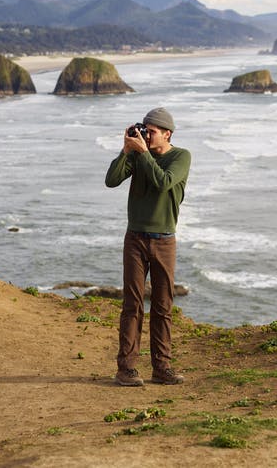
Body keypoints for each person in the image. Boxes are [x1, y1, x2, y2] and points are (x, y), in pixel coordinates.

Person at [105, 107, 191, 386]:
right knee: (132, 305)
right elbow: (111, 180)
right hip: (135, 239)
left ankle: (161, 367)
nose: (147, 134)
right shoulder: (140, 155)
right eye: (144, 129)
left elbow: (163, 182)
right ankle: (126, 369)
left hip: (164, 240)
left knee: (163, 306)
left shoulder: (181, 157)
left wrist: (142, 154)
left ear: (167, 134)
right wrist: (126, 150)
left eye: (151, 131)